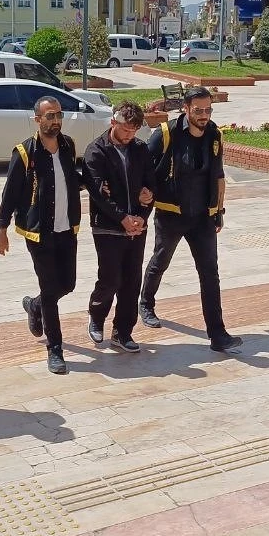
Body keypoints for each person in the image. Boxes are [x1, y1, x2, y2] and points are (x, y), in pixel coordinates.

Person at [139, 87, 242, 353]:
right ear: (185, 109)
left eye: (208, 110)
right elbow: (143, 167)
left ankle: (217, 334)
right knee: (161, 260)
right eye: (198, 110)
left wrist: (218, 210)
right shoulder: (166, 133)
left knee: (210, 274)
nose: (204, 115)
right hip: (171, 213)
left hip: (202, 218)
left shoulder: (215, 135)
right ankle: (146, 303)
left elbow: (218, 174)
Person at [0, 97, 84, 375]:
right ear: (37, 120)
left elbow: (71, 178)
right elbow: (10, 193)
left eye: (58, 115)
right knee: (50, 288)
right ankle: (55, 349)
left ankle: (35, 305)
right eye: (49, 116)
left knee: (67, 284)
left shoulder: (68, 145)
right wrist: (2, 228)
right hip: (38, 232)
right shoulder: (24, 152)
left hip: (67, 228)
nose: (55, 121)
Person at [83, 102, 155, 352]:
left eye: (134, 131)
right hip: (108, 227)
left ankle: (123, 332)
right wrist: (123, 218)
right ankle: (96, 316)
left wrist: (143, 215)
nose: (128, 136)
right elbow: (98, 194)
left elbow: (150, 185)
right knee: (110, 278)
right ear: (113, 122)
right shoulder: (96, 151)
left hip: (137, 227)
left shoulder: (140, 149)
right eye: (125, 130)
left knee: (132, 281)